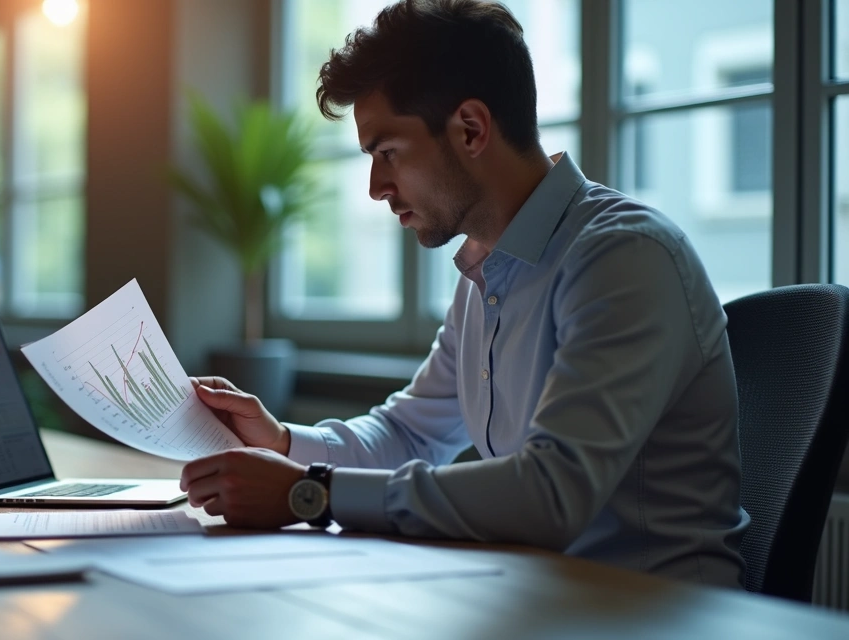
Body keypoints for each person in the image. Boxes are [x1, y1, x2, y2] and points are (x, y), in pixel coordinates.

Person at [179, 0, 750, 588]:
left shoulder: (623, 256)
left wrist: (309, 493)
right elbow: (411, 434)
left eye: (388, 152)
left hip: (657, 614)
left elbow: (552, 494)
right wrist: (282, 443)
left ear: (471, 129)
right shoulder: (485, 272)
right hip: (540, 600)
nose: (377, 187)